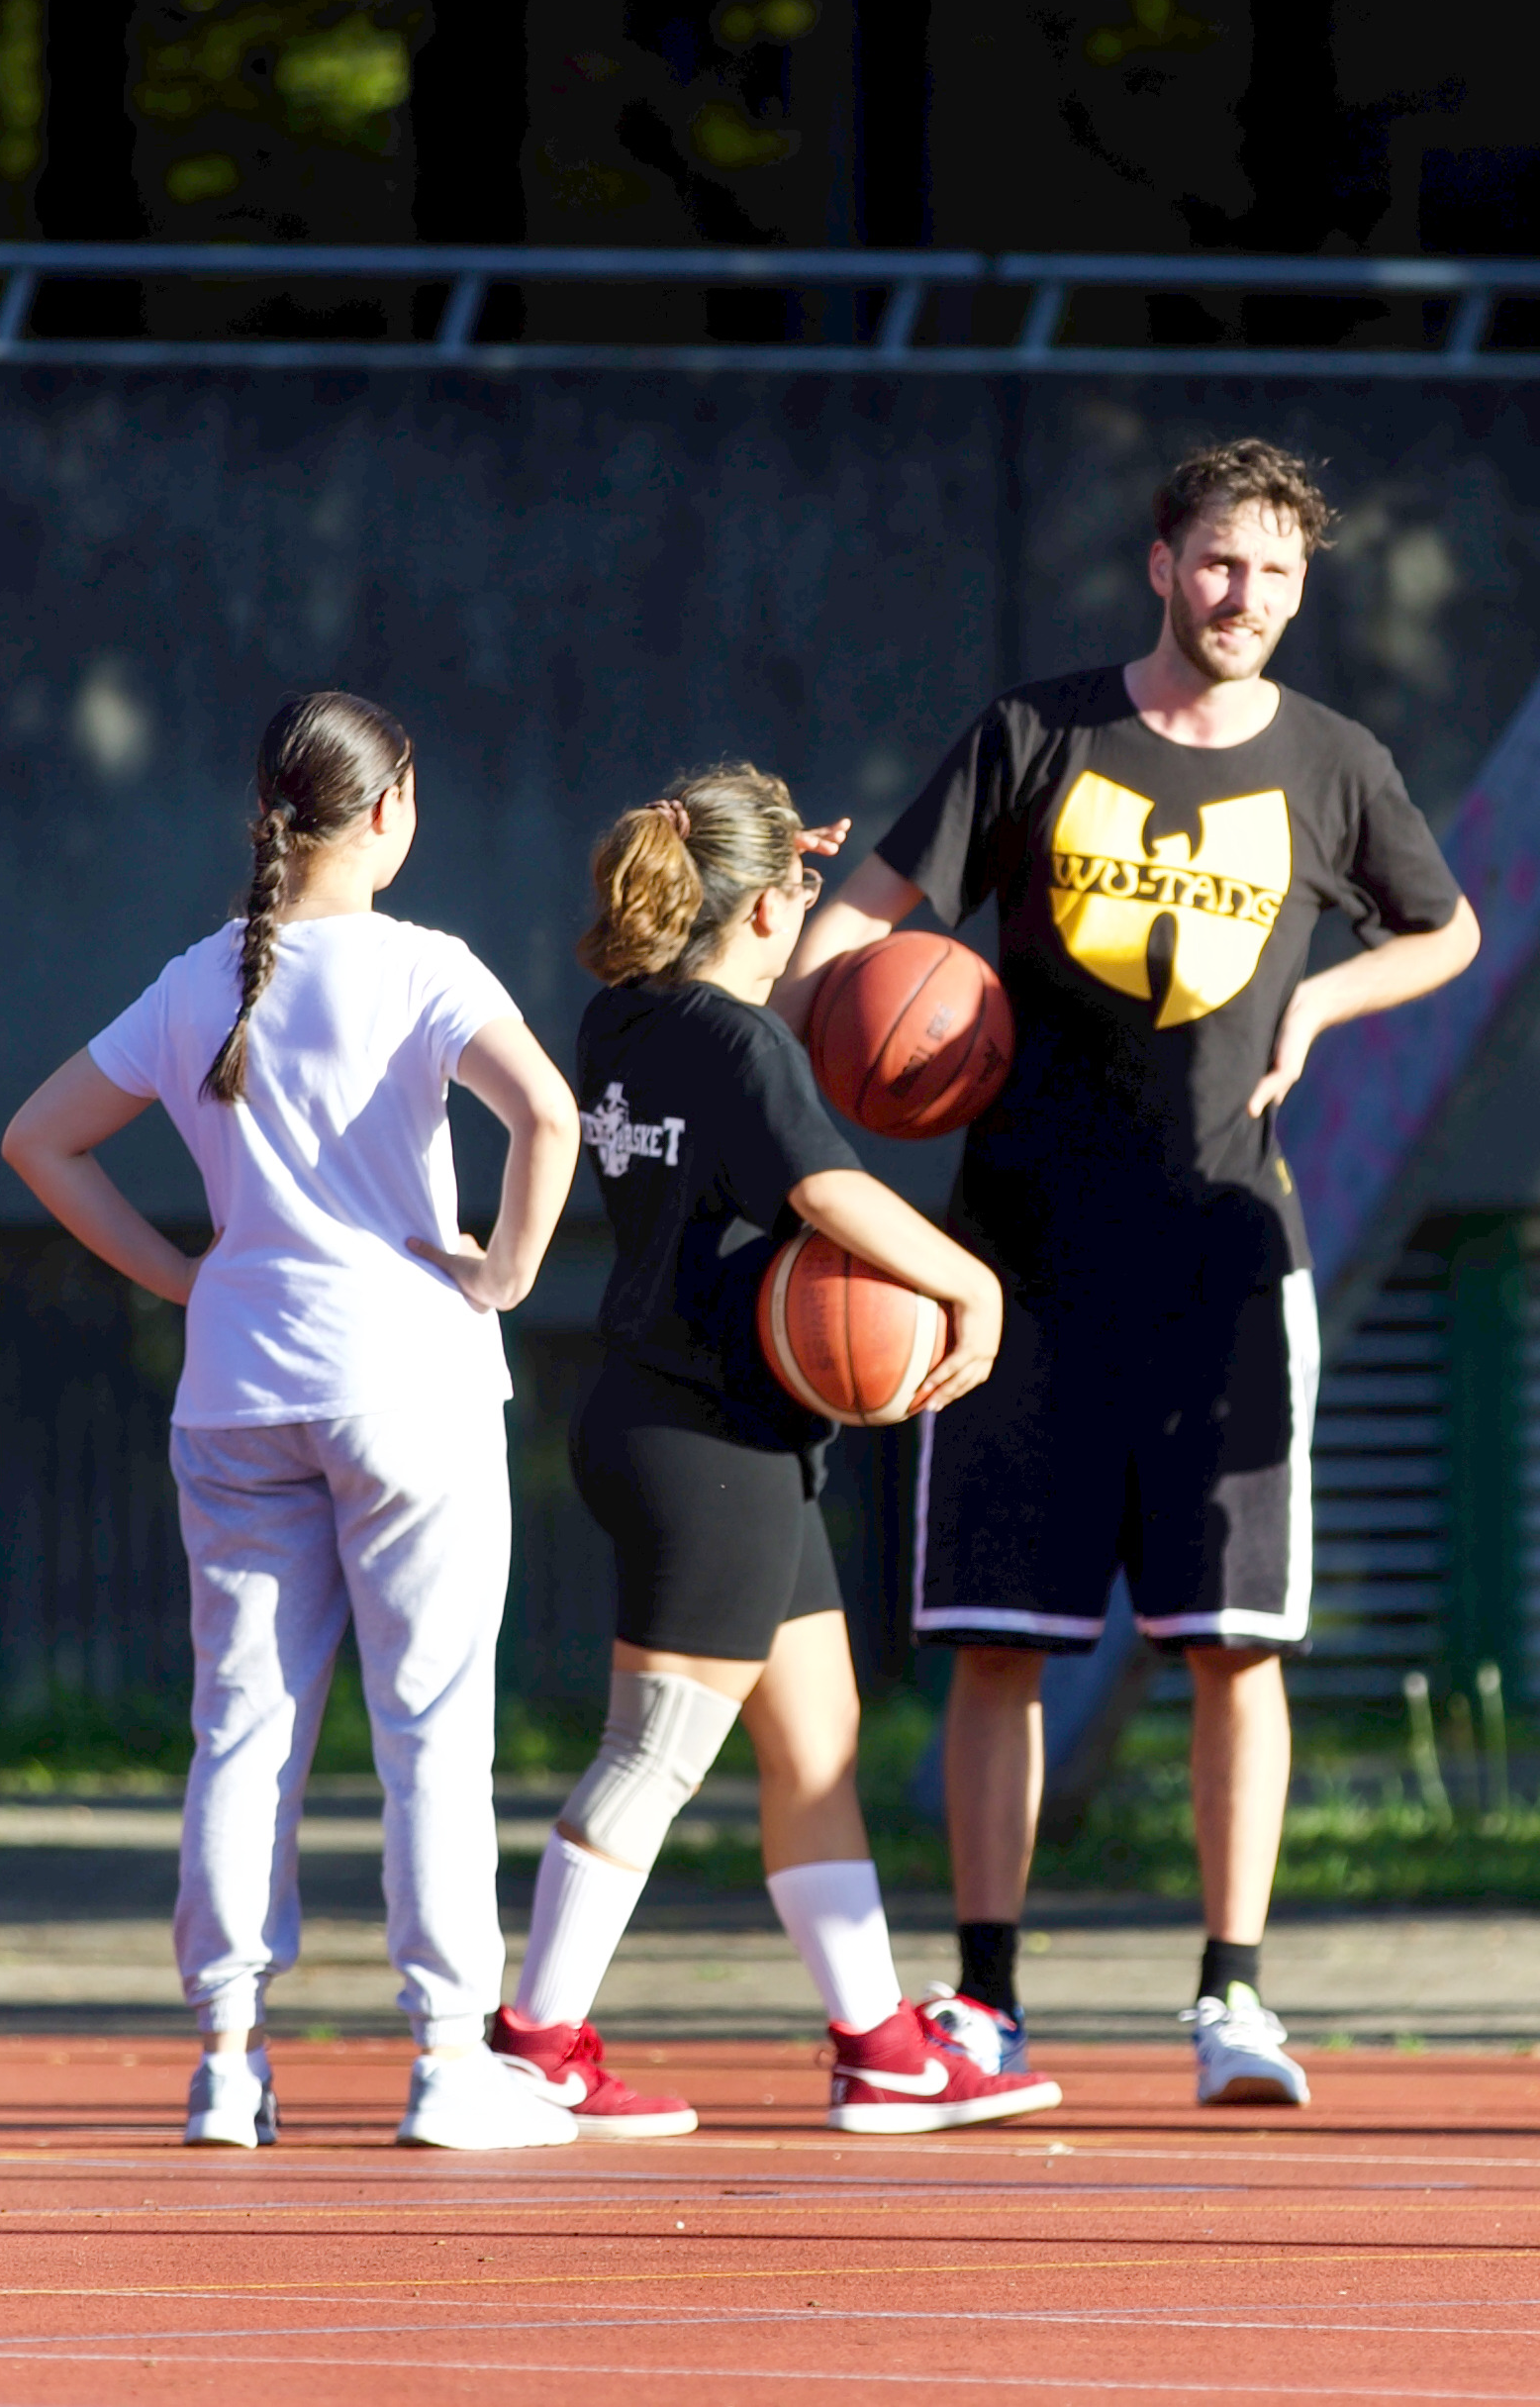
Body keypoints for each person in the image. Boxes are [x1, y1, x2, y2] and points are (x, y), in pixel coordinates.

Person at [785, 437, 1480, 2107]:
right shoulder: (1035, 735)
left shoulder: (1335, 761)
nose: (1250, 597)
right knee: (996, 1644)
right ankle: (986, 1999)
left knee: (1237, 1647)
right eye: (1223, 563)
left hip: (1224, 1264)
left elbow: (1446, 929)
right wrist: (829, 1056)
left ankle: (1234, 1997)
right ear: (1162, 564)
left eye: (1281, 573)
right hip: (1012, 1267)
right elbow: (848, 936)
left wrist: (1322, 1003)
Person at [0, 690, 584, 2153]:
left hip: (239, 1391)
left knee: (242, 1728)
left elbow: (38, 1140)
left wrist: (181, 1277)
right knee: (432, 1733)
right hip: (411, 1386)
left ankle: (225, 2059)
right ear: (388, 812)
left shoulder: (195, 981)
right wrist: (503, 1277)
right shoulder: (424, 966)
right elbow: (550, 1116)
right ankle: (447, 2060)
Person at [489, 767, 1060, 2140]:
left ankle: (882, 2048)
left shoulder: (624, 1016)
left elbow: (750, 1020)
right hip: (711, 1444)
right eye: (796, 894)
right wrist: (972, 1285)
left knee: (817, 1746)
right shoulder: (740, 1048)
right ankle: (534, 2043)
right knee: (656, 1751)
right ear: (760, 911)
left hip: (680, 1417)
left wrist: (757, 862)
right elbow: (825, 1187)